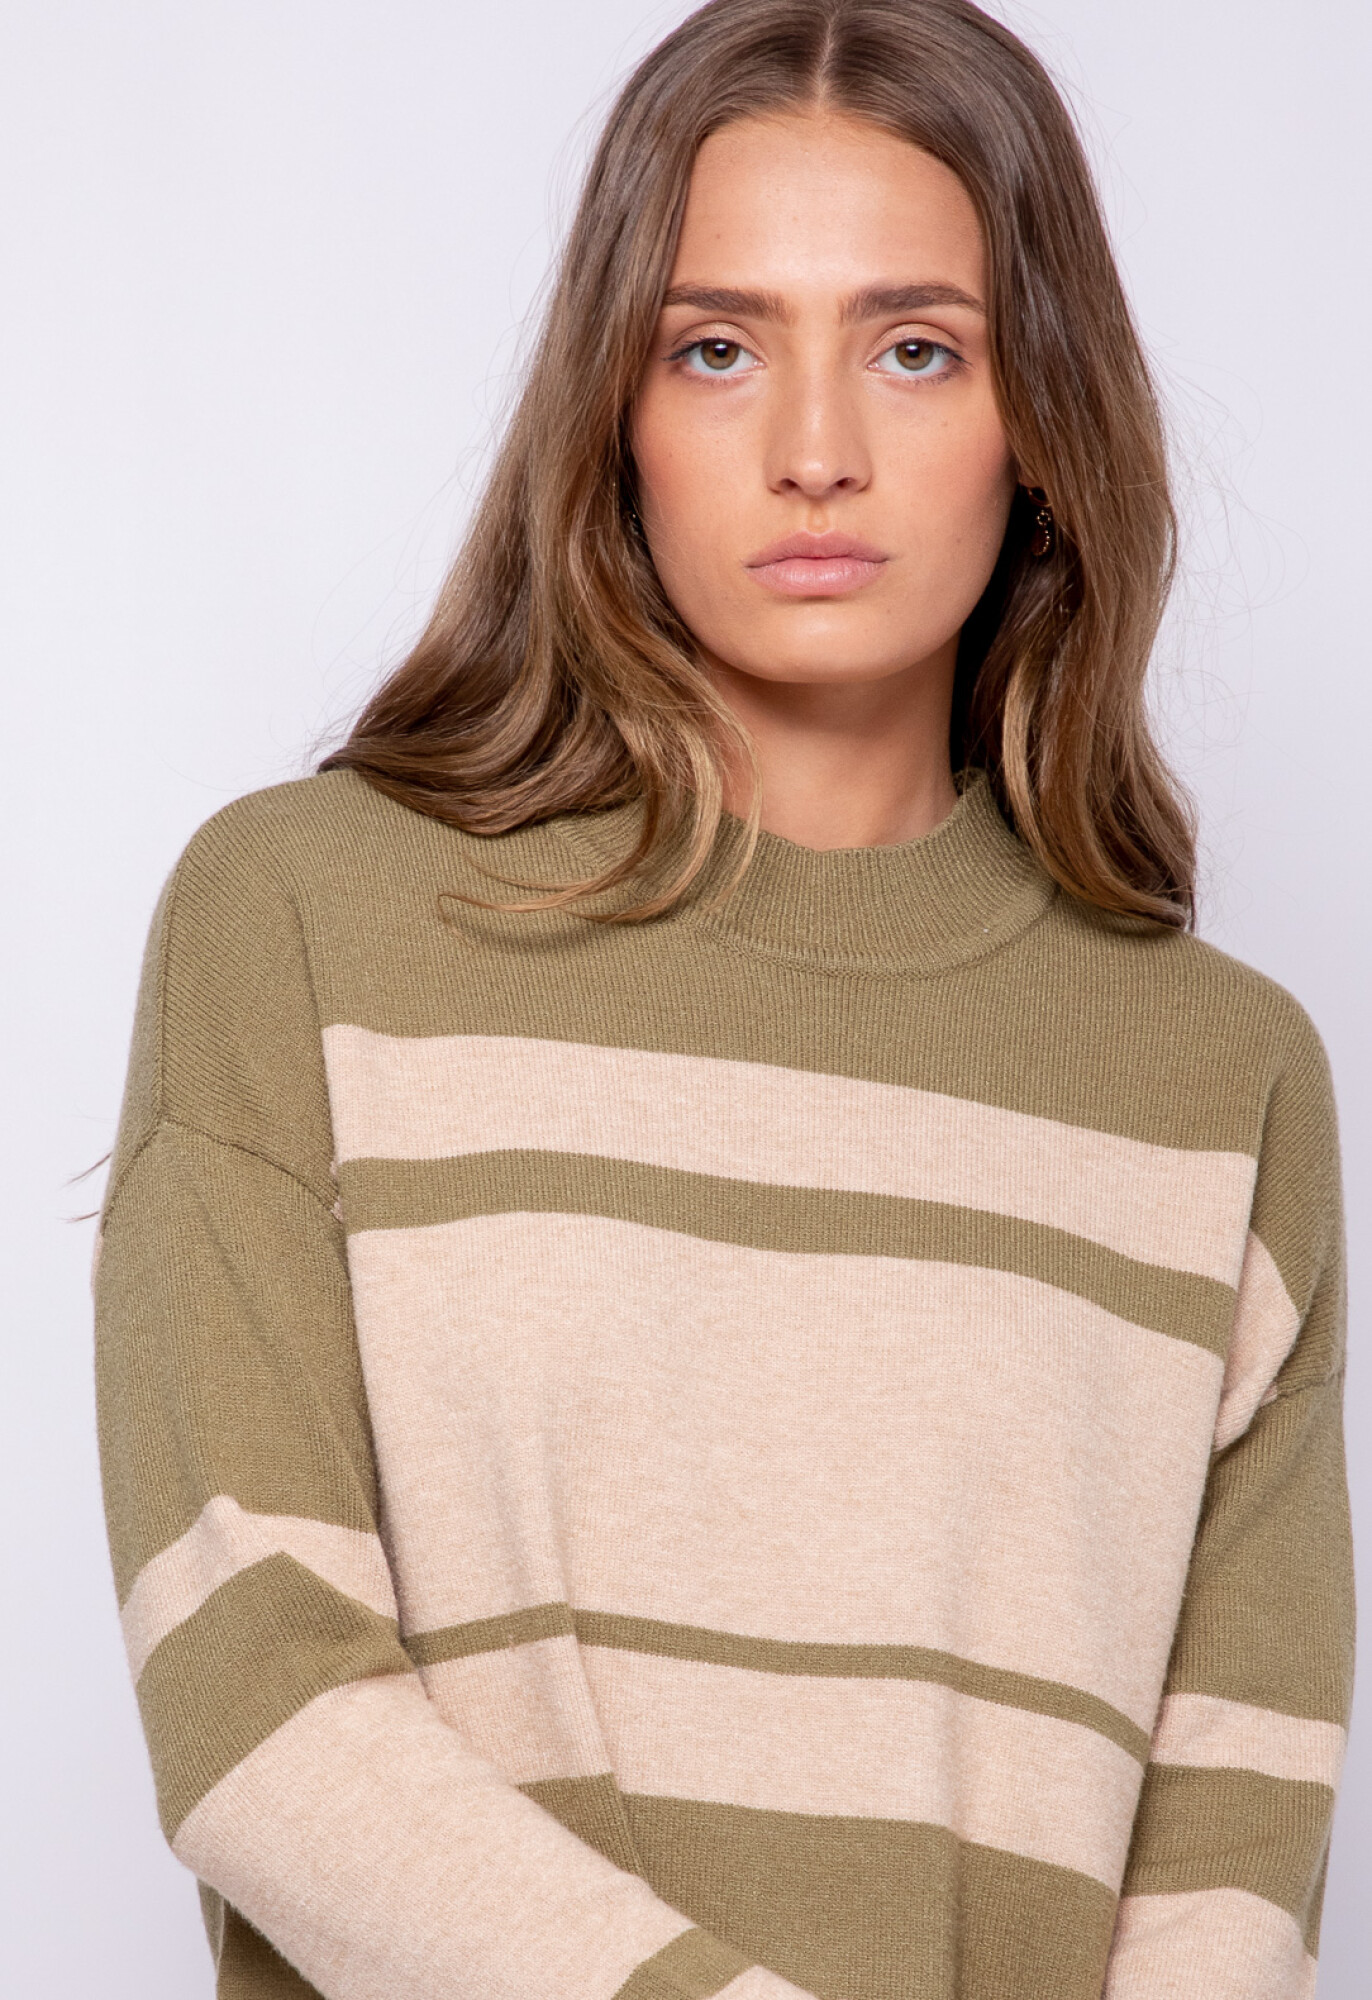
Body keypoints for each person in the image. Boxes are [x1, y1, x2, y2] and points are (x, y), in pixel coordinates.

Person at [94, 2, 1353, 1996]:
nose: (814, 450)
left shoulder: (1222, 1080)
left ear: (1037, 416)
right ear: (614, 408)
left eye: (914, 346)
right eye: (716, 346)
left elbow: (1230, 1851)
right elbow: (262, 1708)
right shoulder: (304, 923)